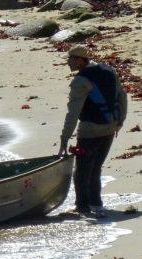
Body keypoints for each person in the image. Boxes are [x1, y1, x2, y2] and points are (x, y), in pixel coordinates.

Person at [58, 45, 127, 215]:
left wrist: (64, 139)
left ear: (81, 60)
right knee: (96, 167)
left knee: (82, 171)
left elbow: (73, 113)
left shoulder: (80, 81)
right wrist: (120, 122)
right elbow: (122, 96)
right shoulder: (109, 70)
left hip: (89, 131)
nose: (68, 62)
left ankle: (82, 207)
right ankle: (96, 204)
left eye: (71, 59)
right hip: (110, 128)